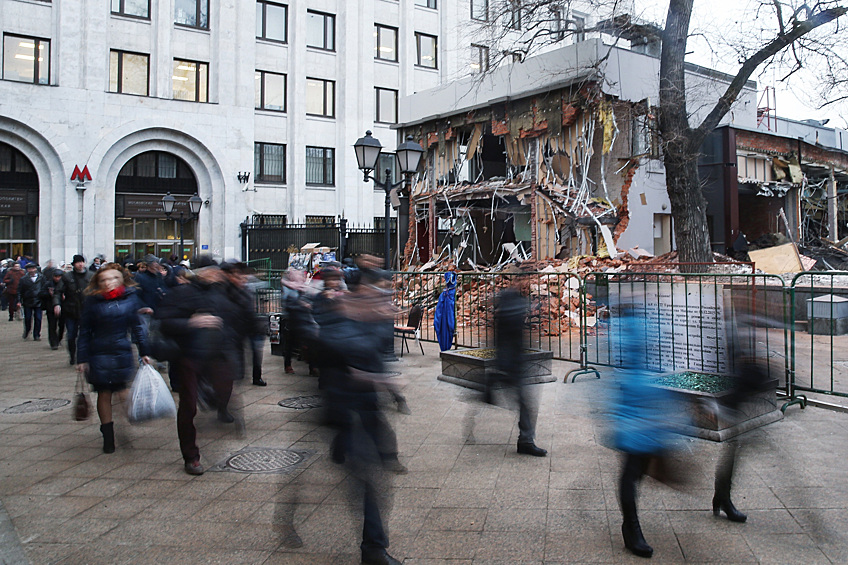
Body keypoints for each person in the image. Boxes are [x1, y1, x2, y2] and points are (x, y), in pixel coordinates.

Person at [155, 255, 243, 475]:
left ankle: (211, 395)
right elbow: (164, 322)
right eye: (211, 271)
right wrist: (191, 322)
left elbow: (234, 318)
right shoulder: (182, 292)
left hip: (218, 354)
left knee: (224, 391)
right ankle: (191, 456)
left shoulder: (221, 292)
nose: (216, 275)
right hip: (189, 356)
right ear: (200, 272)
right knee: (188, 406)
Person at [76, 263, 150, 453]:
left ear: (121, 280)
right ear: (98, 282)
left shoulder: (130, 298)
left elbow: (137, 327)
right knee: (104, 392)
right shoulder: (92, 301)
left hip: (121, 350)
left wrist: (144, 350)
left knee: (123, 389)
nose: (109, 283)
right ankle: (108, 436)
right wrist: (81, 358)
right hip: (98, 352)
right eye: (104, 280)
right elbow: (84, 331)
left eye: (113, 278)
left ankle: (130, 416)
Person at [488, 277, 547, 457]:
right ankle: (526, 441)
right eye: (523, 281)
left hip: (509, 360)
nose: (526, 285)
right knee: (525, 403)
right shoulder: (512, 301)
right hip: (510, 361)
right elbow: (509, 334)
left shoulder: (509, 299)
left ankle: (526, 440)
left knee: (524, 403)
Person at [55, 255, 93, 365]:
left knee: (86, 335)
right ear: (74, 264)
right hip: (71, 310)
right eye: (78, 262)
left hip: (86, 310)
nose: (80, 264)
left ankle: (84, 355)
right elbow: (58, 292)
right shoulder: (67, 277)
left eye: (82, 262)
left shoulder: (91, 276)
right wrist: (57, 304)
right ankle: (72, 355)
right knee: (71, 335)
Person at [17, 262, 47, 341]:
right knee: (28, 318)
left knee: (38, 318)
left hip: (38, 301)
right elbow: (19, 291)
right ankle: (27, 330)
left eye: (33, 268)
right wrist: (19, 301)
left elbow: (45, 288)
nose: (31, 270)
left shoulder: (42, 278)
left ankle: (36, 334)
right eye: (29, 269)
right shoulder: (23, 279)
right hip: (27, 301)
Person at [45, 269, 65, 349]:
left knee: (62, 325)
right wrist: (48, 294)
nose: (57, 278)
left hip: (63, 308)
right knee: (52, 326)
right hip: (50, 307)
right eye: (56, 276)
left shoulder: (65, 284)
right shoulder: (48, 284)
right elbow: (41, 293)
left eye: (59, 277)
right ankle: (53, 343)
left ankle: (59, 338)